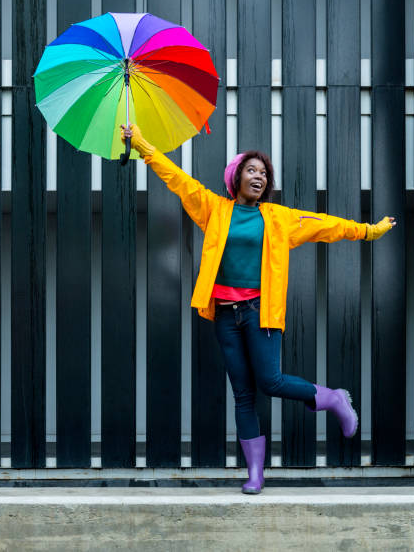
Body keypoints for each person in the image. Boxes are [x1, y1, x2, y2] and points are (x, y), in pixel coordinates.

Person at [121, 124, 395, 494]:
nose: (260, 176)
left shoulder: (278, 218)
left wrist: (367, 230)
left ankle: (332, 398)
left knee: (270, 381)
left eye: (264, 173)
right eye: (252, 170)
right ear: (235, 177)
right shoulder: (214, 210)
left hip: (259, 311)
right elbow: (177, 179)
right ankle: (255, 473)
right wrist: (141, 144)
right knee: (244, 395)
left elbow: (323, 226)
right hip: (225, 315)